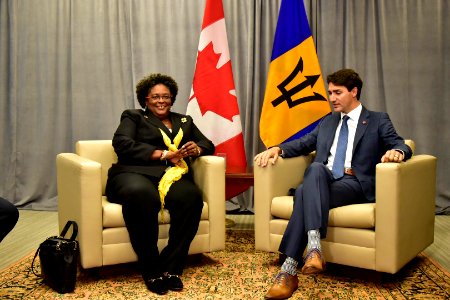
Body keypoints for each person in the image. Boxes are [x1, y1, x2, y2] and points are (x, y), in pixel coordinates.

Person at [254, 69, 412, 300]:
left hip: (353, 182)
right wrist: (278, 148)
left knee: (303, 192)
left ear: (354, 91)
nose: (332, 98)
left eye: (338, 92)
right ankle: (314, 249)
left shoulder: (378, 120)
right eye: (330, 93)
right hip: (323, 178)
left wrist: (398, 151)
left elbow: (399, 143)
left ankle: (288, 269)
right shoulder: (328, 122)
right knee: (316, 168)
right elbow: (304, 143)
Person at [105, 73, 215, 295]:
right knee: (142, 195)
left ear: (172, 98)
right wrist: (163, 154)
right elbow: (122, 143)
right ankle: (151, 267)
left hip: (170, 176)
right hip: (133, 173)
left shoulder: (184, 121)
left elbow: (207, 143)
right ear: (145, 99)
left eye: (166, 96)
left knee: (191, 197)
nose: (161, 101)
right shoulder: (133, 116)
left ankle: (172, 267)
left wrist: (197, 149)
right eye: (155, 97)